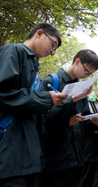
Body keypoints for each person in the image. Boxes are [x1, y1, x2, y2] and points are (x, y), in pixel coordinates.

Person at [0, 23, 68, 187]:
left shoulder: (34, 66)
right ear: (39, 33)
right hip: (11, 154)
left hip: (29, 158)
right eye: (53, 45)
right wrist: (46, 99)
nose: (52, 52)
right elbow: (3, 93)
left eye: (55, 49)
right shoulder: (14, 51)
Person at [37, 49, 98, 187]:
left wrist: (95, 123)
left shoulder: (82, 87)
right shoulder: (51, 82)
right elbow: (40, 118)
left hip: (76, 158)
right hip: (54, 158)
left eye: (90, 74)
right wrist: (65, 121)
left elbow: (83, 119)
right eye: (87, 71)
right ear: (77, 61)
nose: (87, 76)